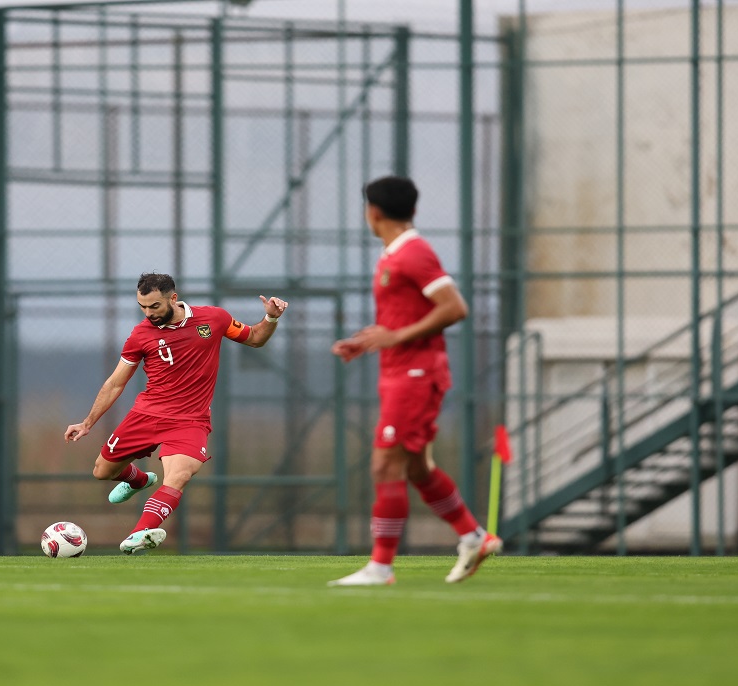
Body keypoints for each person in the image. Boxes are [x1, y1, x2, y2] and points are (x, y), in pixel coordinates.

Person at [329, 175, 501, 586]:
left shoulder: (413, 253)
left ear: (372, 212)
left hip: (416, 374)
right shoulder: (393, 254)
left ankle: (380, 567)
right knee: (418, 469)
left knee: (384, 463)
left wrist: (397, 338)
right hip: (399, 371)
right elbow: (405, 317)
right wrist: (372, 339)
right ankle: (473, 536)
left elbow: (454, 307)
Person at [64, 273, 288, 554]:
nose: (148, 313)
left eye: (154, 306)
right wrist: (87, 423)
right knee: (102, 471)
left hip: (190, 421)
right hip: (146, 414)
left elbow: (254, 338)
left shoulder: (214, 319)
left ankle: (139, 533)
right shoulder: (140, 334)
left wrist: (270, 319)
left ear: (173, 298)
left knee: (179, 476)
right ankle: (140, 480)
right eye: (142, 306)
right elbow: (115, 382)